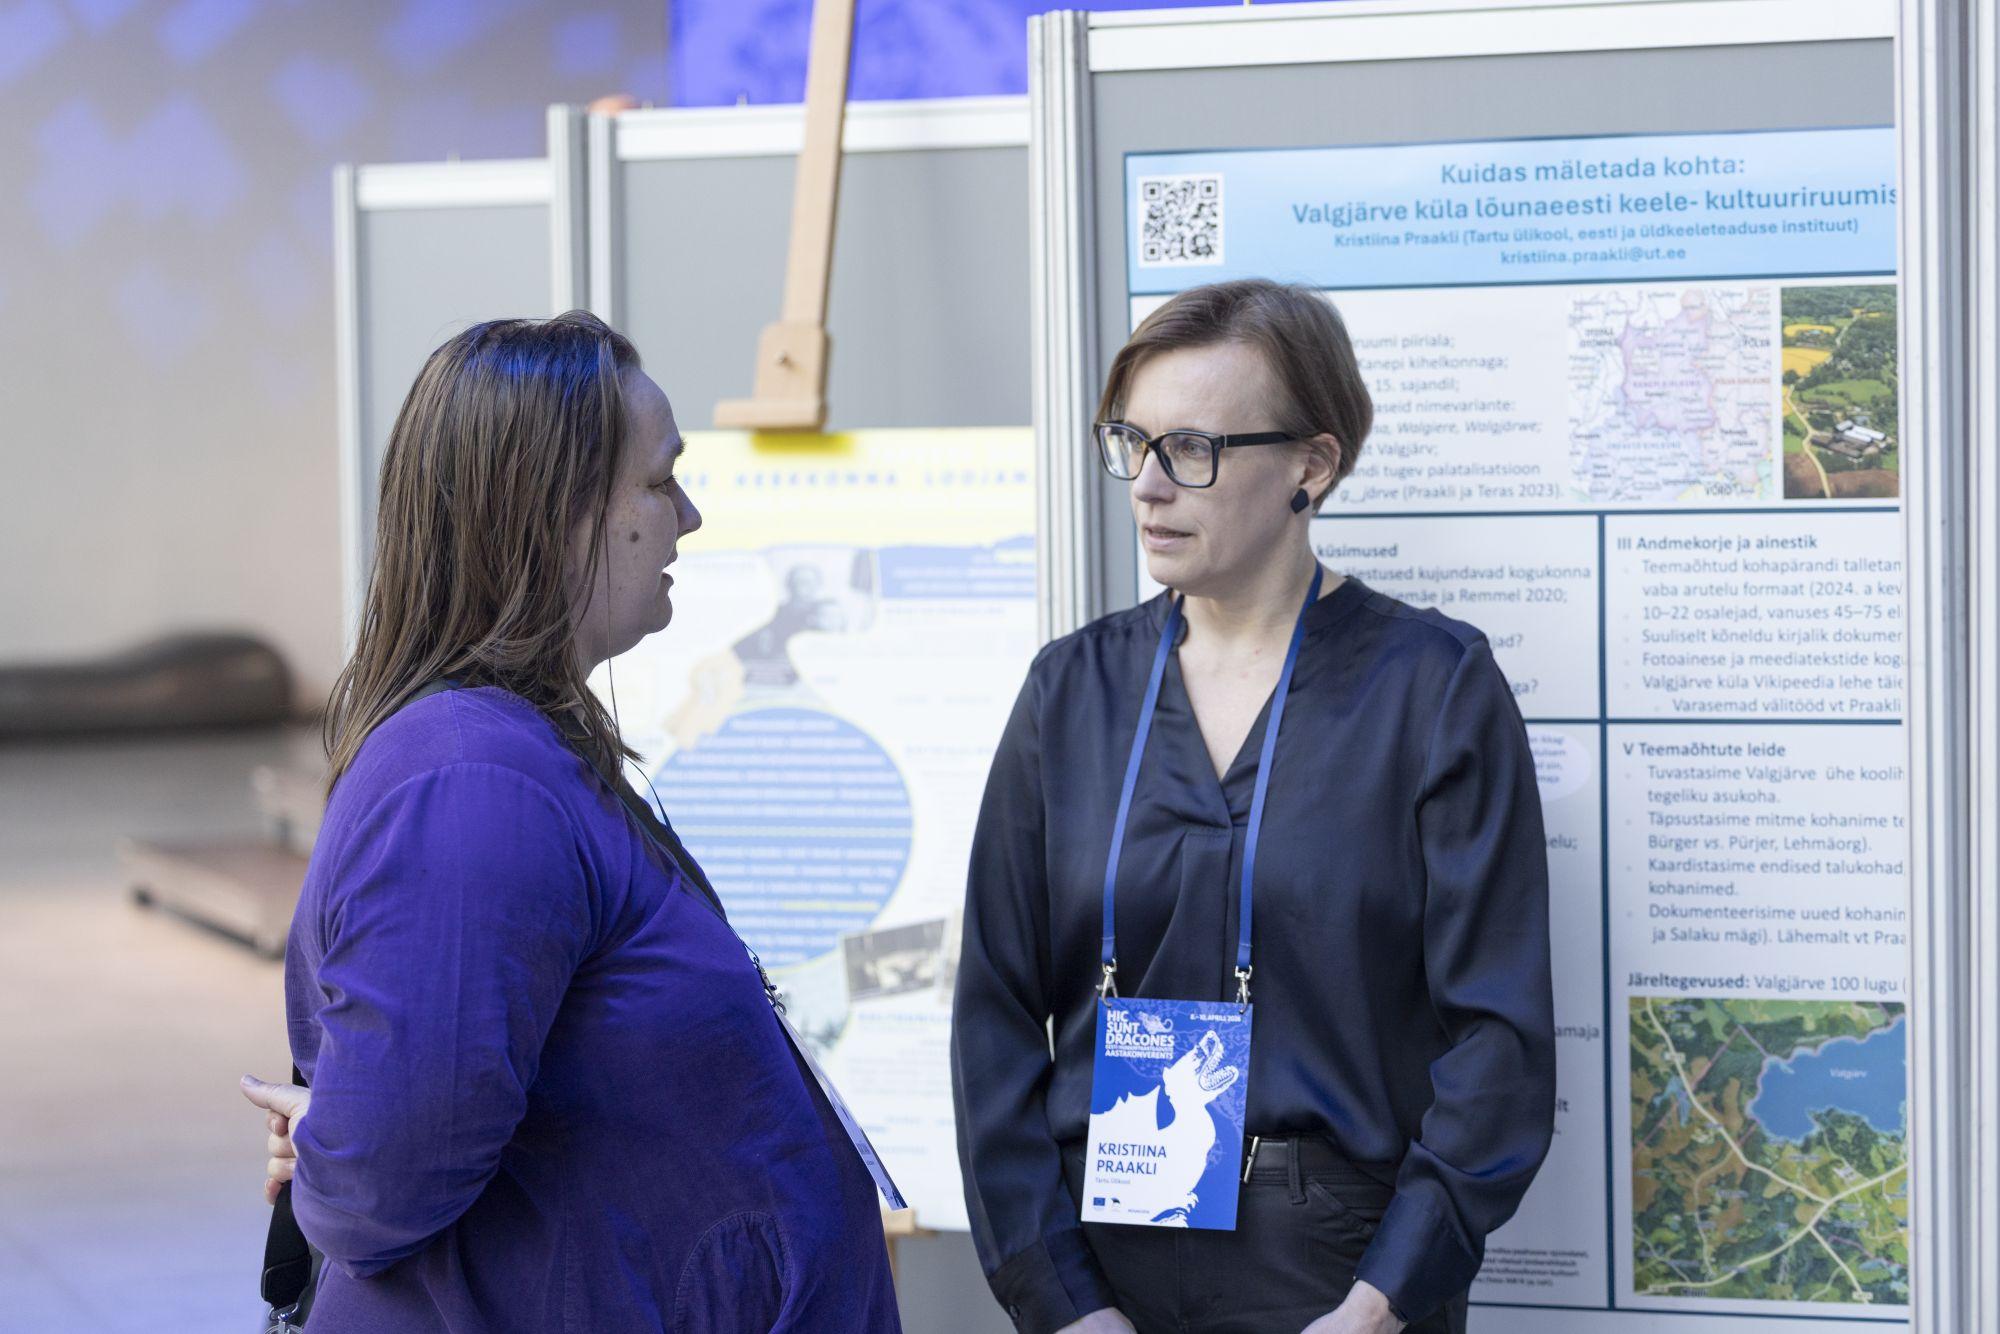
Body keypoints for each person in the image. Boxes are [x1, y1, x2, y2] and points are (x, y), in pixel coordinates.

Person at [238, 312, 900, 1332]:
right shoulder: (471, 785)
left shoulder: (513, 750)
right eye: (660, 481)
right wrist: (341, 1148)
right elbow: (380, 1185)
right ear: (553, 512)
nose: (688, 516)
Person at [951, 280, 1555, 1334]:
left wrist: (1381, 1301)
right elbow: (993, 1018)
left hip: (1341, 1269)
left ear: (1310, 466)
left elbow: (1498, 1038)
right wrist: (1058, 1298)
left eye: (1191, 448)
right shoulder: (1071, 691)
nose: (1148, 485)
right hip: (1103, 1260)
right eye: (1131, 442)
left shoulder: (1431, 688)